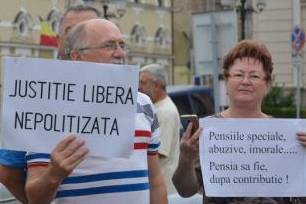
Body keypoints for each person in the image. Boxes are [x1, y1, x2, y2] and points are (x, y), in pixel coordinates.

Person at [25, 18, 167, 204]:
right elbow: (34, 198)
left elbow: (155, 180)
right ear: (77, 57)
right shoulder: (48, 110)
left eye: (122, 45)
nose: (120, 53)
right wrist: (54, 174)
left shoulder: (144, 103)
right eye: (109, 46)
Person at [172, 39, 306, 203]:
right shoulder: (206, 131)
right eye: (238, 74)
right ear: (226, 82)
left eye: (255, 76)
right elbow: (185, 190)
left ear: (268, 85)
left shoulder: (288, 135)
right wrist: (185, 159)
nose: (245, 81)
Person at [0, 4, 99, 203]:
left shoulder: (124, 96)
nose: (78, 38)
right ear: (60, 41)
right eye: (71, 32)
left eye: (86, 30)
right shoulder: (32, 93)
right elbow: (7, 175)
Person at [139, 63, 180, 195]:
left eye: (143, 83)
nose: (139, 87)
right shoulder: (157, 108)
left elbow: (158, 152)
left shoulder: (165, 112)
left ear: (156, 86)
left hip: (164, 190)